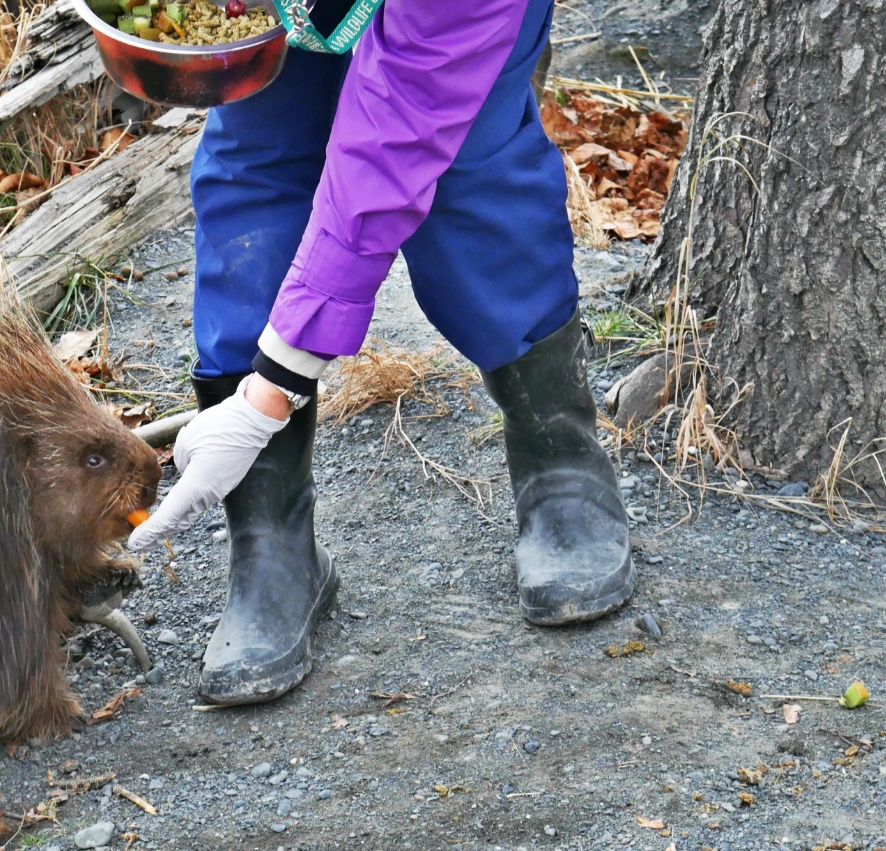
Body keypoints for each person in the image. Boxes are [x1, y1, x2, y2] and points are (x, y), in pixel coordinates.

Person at [126, 0, 634, 706]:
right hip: (286, 19)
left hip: (450, 25)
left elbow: (395, 136)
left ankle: (559, 459)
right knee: (257, 164)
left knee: (468, 176)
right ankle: (269, 536)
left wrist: (267, 392)